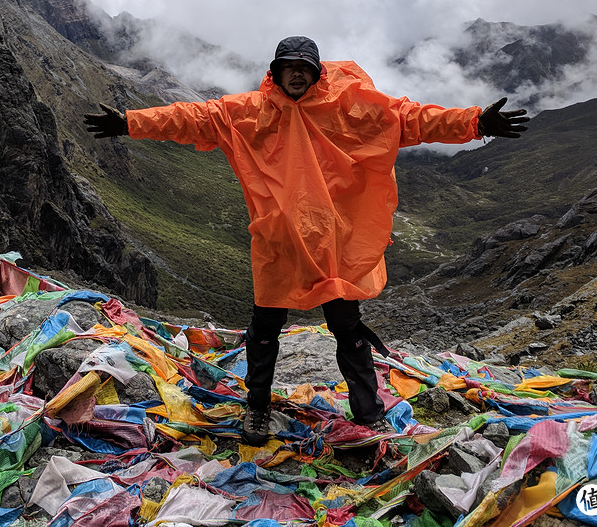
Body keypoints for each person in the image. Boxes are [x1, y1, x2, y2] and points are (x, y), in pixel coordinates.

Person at [84, 35, 528, 445]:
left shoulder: (350, 106)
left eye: (304, 67)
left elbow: (409, 118)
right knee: (263, 331)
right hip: (278, 242)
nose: (296, 73)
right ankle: (257, 409)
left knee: (347, 328)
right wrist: (129, 122)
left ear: (317, 73)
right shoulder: (247, 112)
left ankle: (368, 411)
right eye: (287, 66)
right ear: (274, 72)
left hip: (333, 242)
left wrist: (475, 121)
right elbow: (191, 118)